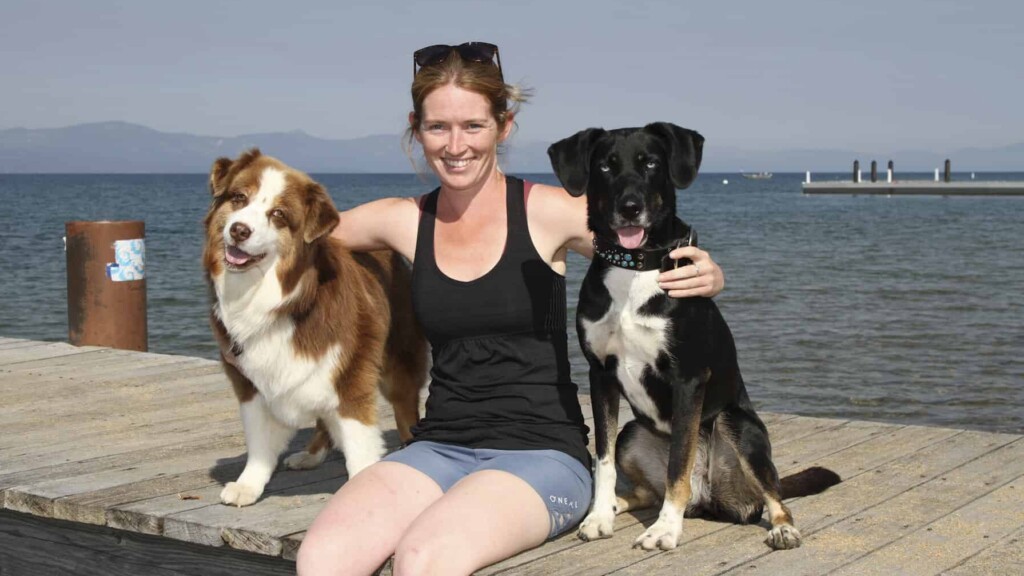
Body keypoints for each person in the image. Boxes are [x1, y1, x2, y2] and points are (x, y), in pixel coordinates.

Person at [295, 42, 725, 576]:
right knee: (320, 558)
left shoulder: (551, 213)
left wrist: (707, 270)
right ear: (415, 127)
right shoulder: (401, 220)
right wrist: (241, 223)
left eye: (473, 126)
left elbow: (646, 244)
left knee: (423, 558)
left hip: (543, 456)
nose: (456, 146)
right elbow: (300, 232)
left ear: (504, 125)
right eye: (438, 127)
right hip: (438, 448)